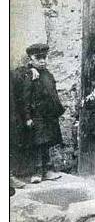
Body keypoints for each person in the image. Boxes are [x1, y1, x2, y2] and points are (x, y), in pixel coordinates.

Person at [14, 43, 63, 184]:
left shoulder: (48, 75)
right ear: (31, 59)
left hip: (48, 116)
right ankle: (36, 171)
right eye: (38, 58)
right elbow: (25, 98)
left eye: (44, 58)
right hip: (36, 117)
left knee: (47, 142)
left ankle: (47, 170)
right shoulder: (29, 75)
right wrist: (28, 117)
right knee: (37, 144)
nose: (42, 61)